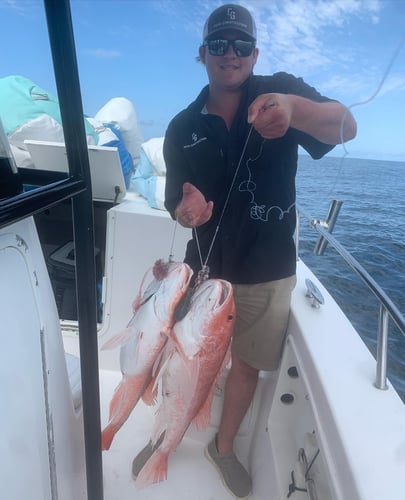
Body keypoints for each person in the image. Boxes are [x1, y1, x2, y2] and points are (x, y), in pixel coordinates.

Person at [132, 4, 356, 498]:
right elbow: (175, 204)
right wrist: (186, 211)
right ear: (203, 55)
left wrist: (296, 111)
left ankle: (224, 447)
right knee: (176, 359)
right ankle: (162, 437)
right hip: (205, 269)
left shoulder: (281, 91)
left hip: (269, 269)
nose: (228, 54)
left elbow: (346, 126)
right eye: (218, 44)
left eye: (239, 45)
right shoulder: (181, 126)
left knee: (248, 366)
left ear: (254, 54)